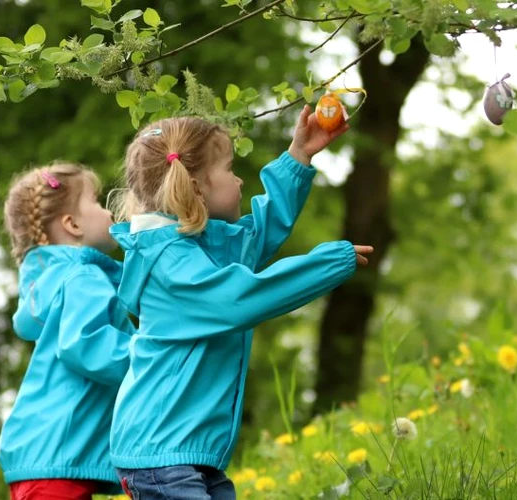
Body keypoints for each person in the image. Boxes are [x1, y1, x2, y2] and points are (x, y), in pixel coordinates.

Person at [109, 107, 371, 499]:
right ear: (197, 187)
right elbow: (240, 299)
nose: (239, 179)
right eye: (230, 169)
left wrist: (298, 158)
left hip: (186, 454)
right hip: (161, 455)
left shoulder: (198, 249)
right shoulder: (170, 264)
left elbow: (255, 237)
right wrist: (328, 263)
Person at [0, 163, 134, 500]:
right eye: (98, 202)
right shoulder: (82, 278)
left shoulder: (53, 282)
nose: (108, 211)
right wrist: (150, 353)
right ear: (72, 224)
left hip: (41, 456)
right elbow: (85, 344)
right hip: (57, 456)